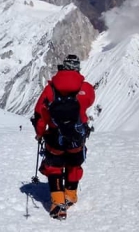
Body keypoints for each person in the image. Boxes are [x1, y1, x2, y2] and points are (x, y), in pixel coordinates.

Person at [31, 54, 95, 219]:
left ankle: (58, 204)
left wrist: (39, 134)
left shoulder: (50, 89)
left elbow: (40, 113)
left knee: (55, 168)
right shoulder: (86, 89)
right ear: (78, 69)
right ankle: (71, 195)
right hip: (76, 137)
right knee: (74, 165)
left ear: (63, 67)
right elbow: (88, 103)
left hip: (54, 137)